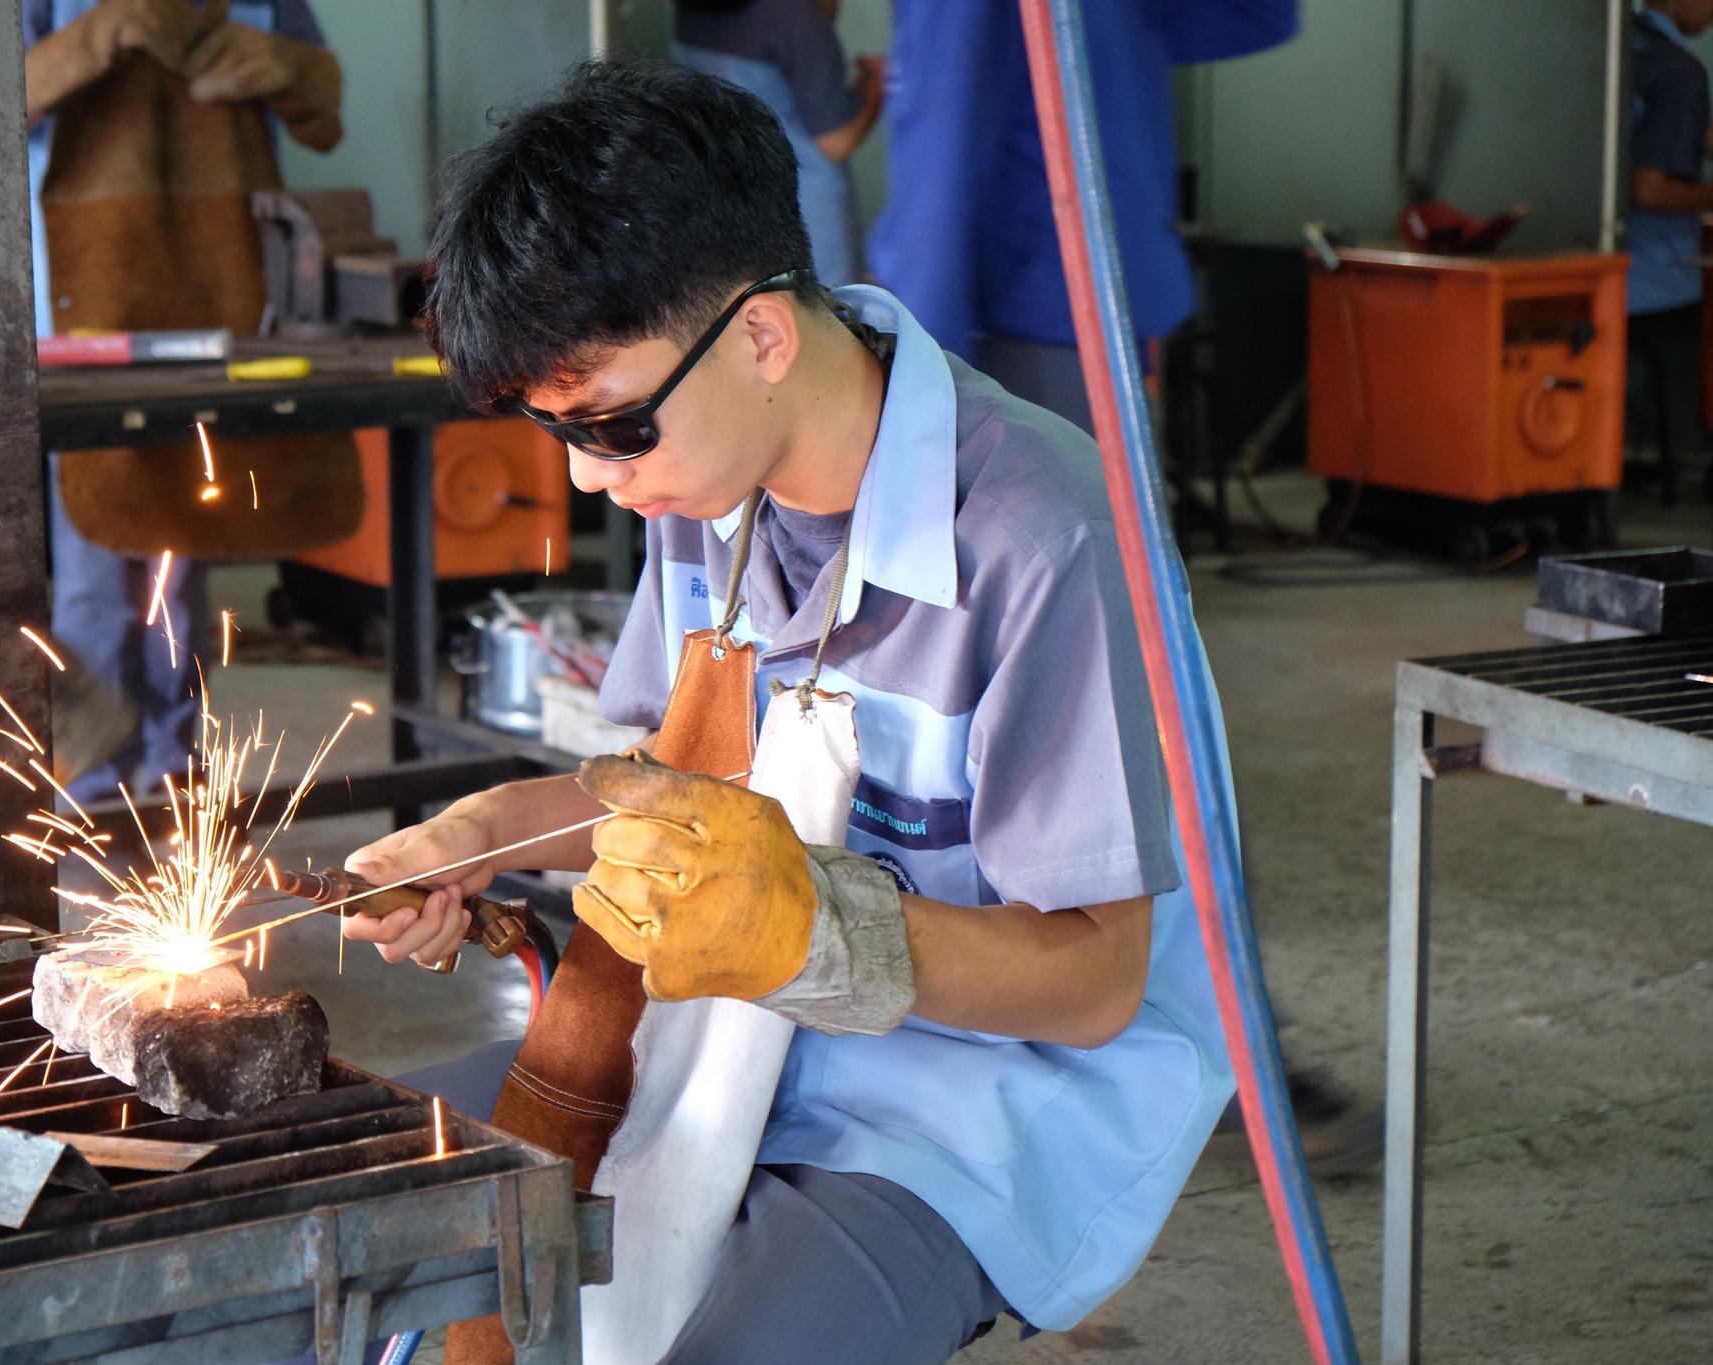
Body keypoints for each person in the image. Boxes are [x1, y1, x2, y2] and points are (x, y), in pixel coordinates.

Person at [341, 61, 1236, 1364]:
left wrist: (824, 934)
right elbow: (663, 783)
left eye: (616, 428)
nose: (596, 480)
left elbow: (1098, 980)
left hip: (964, 1101)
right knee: (360, 1231)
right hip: (723, 1035)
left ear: (760, 336)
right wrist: (482, 833)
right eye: (563, 437)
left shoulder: (1035, 536)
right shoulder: (708, 488)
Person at [22, 0, 342, 799]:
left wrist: (285, 66)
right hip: (83, 301)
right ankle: (93, 789)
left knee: (184, 538)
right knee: (101, 543)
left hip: (219, 291)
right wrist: (105, 30)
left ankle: (173, 770)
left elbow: (324, 117)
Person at [869, 0, 1296, 430]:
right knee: (1100, 491)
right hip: (1109, 305)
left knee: (1035, 492)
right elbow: (1258, 15)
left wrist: (921, 381)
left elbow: (941, 152)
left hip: (1023, 321)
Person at [673, 0, 882, 286]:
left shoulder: (688, 11)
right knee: (824, 315)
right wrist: (876, 84)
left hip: (727, 200)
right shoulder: (794, 15)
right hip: (807, 215)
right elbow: (837, 140)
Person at [1623, 0, 1713, 500]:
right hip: (1649, 277)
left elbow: (1673, 131)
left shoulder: (1624, 47)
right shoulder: (1681, 71)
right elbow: (1650, 190)